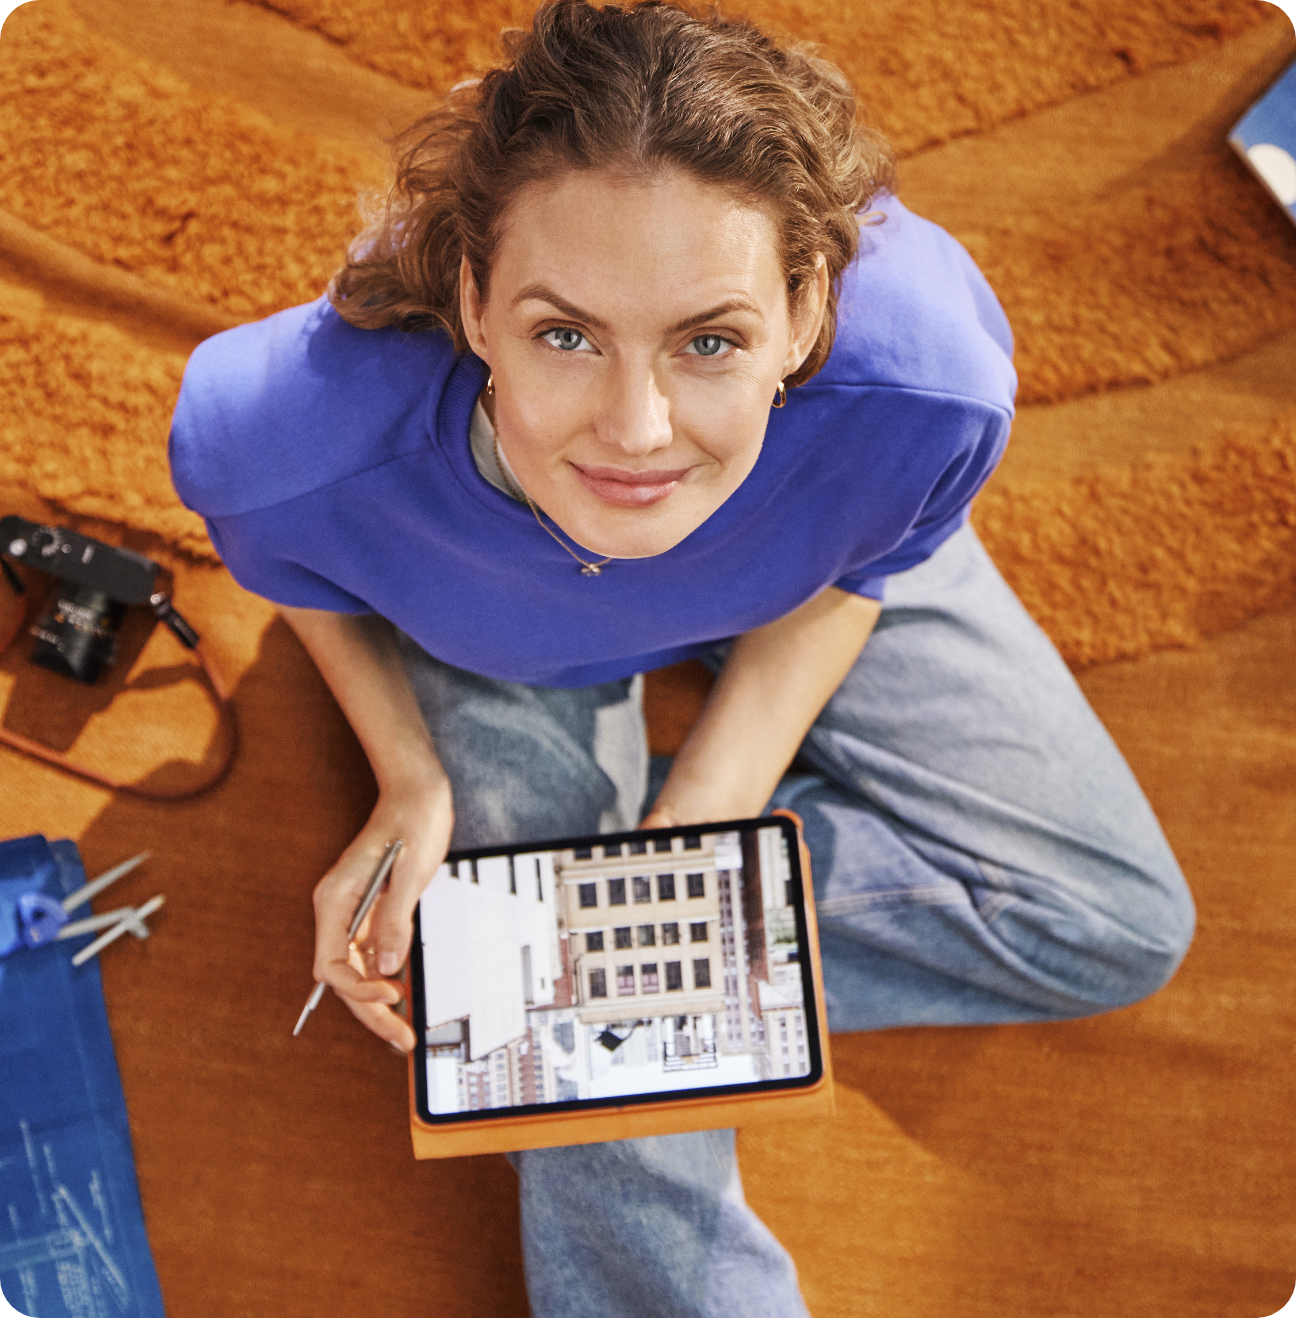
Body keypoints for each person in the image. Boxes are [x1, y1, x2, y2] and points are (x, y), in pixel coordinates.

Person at [168, 1, 1196, 1312]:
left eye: (710, 339)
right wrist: (412, 774)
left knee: (1111, 917)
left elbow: (869, 567)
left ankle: (553, 955)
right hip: (506, 647)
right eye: (564, 336)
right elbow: (287, 568)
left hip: (809, 552)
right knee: (571, 1009)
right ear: (474, 299)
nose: (636, 433)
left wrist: (703, 816)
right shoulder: (283, 433)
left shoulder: (928, 387)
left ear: (807, 312)